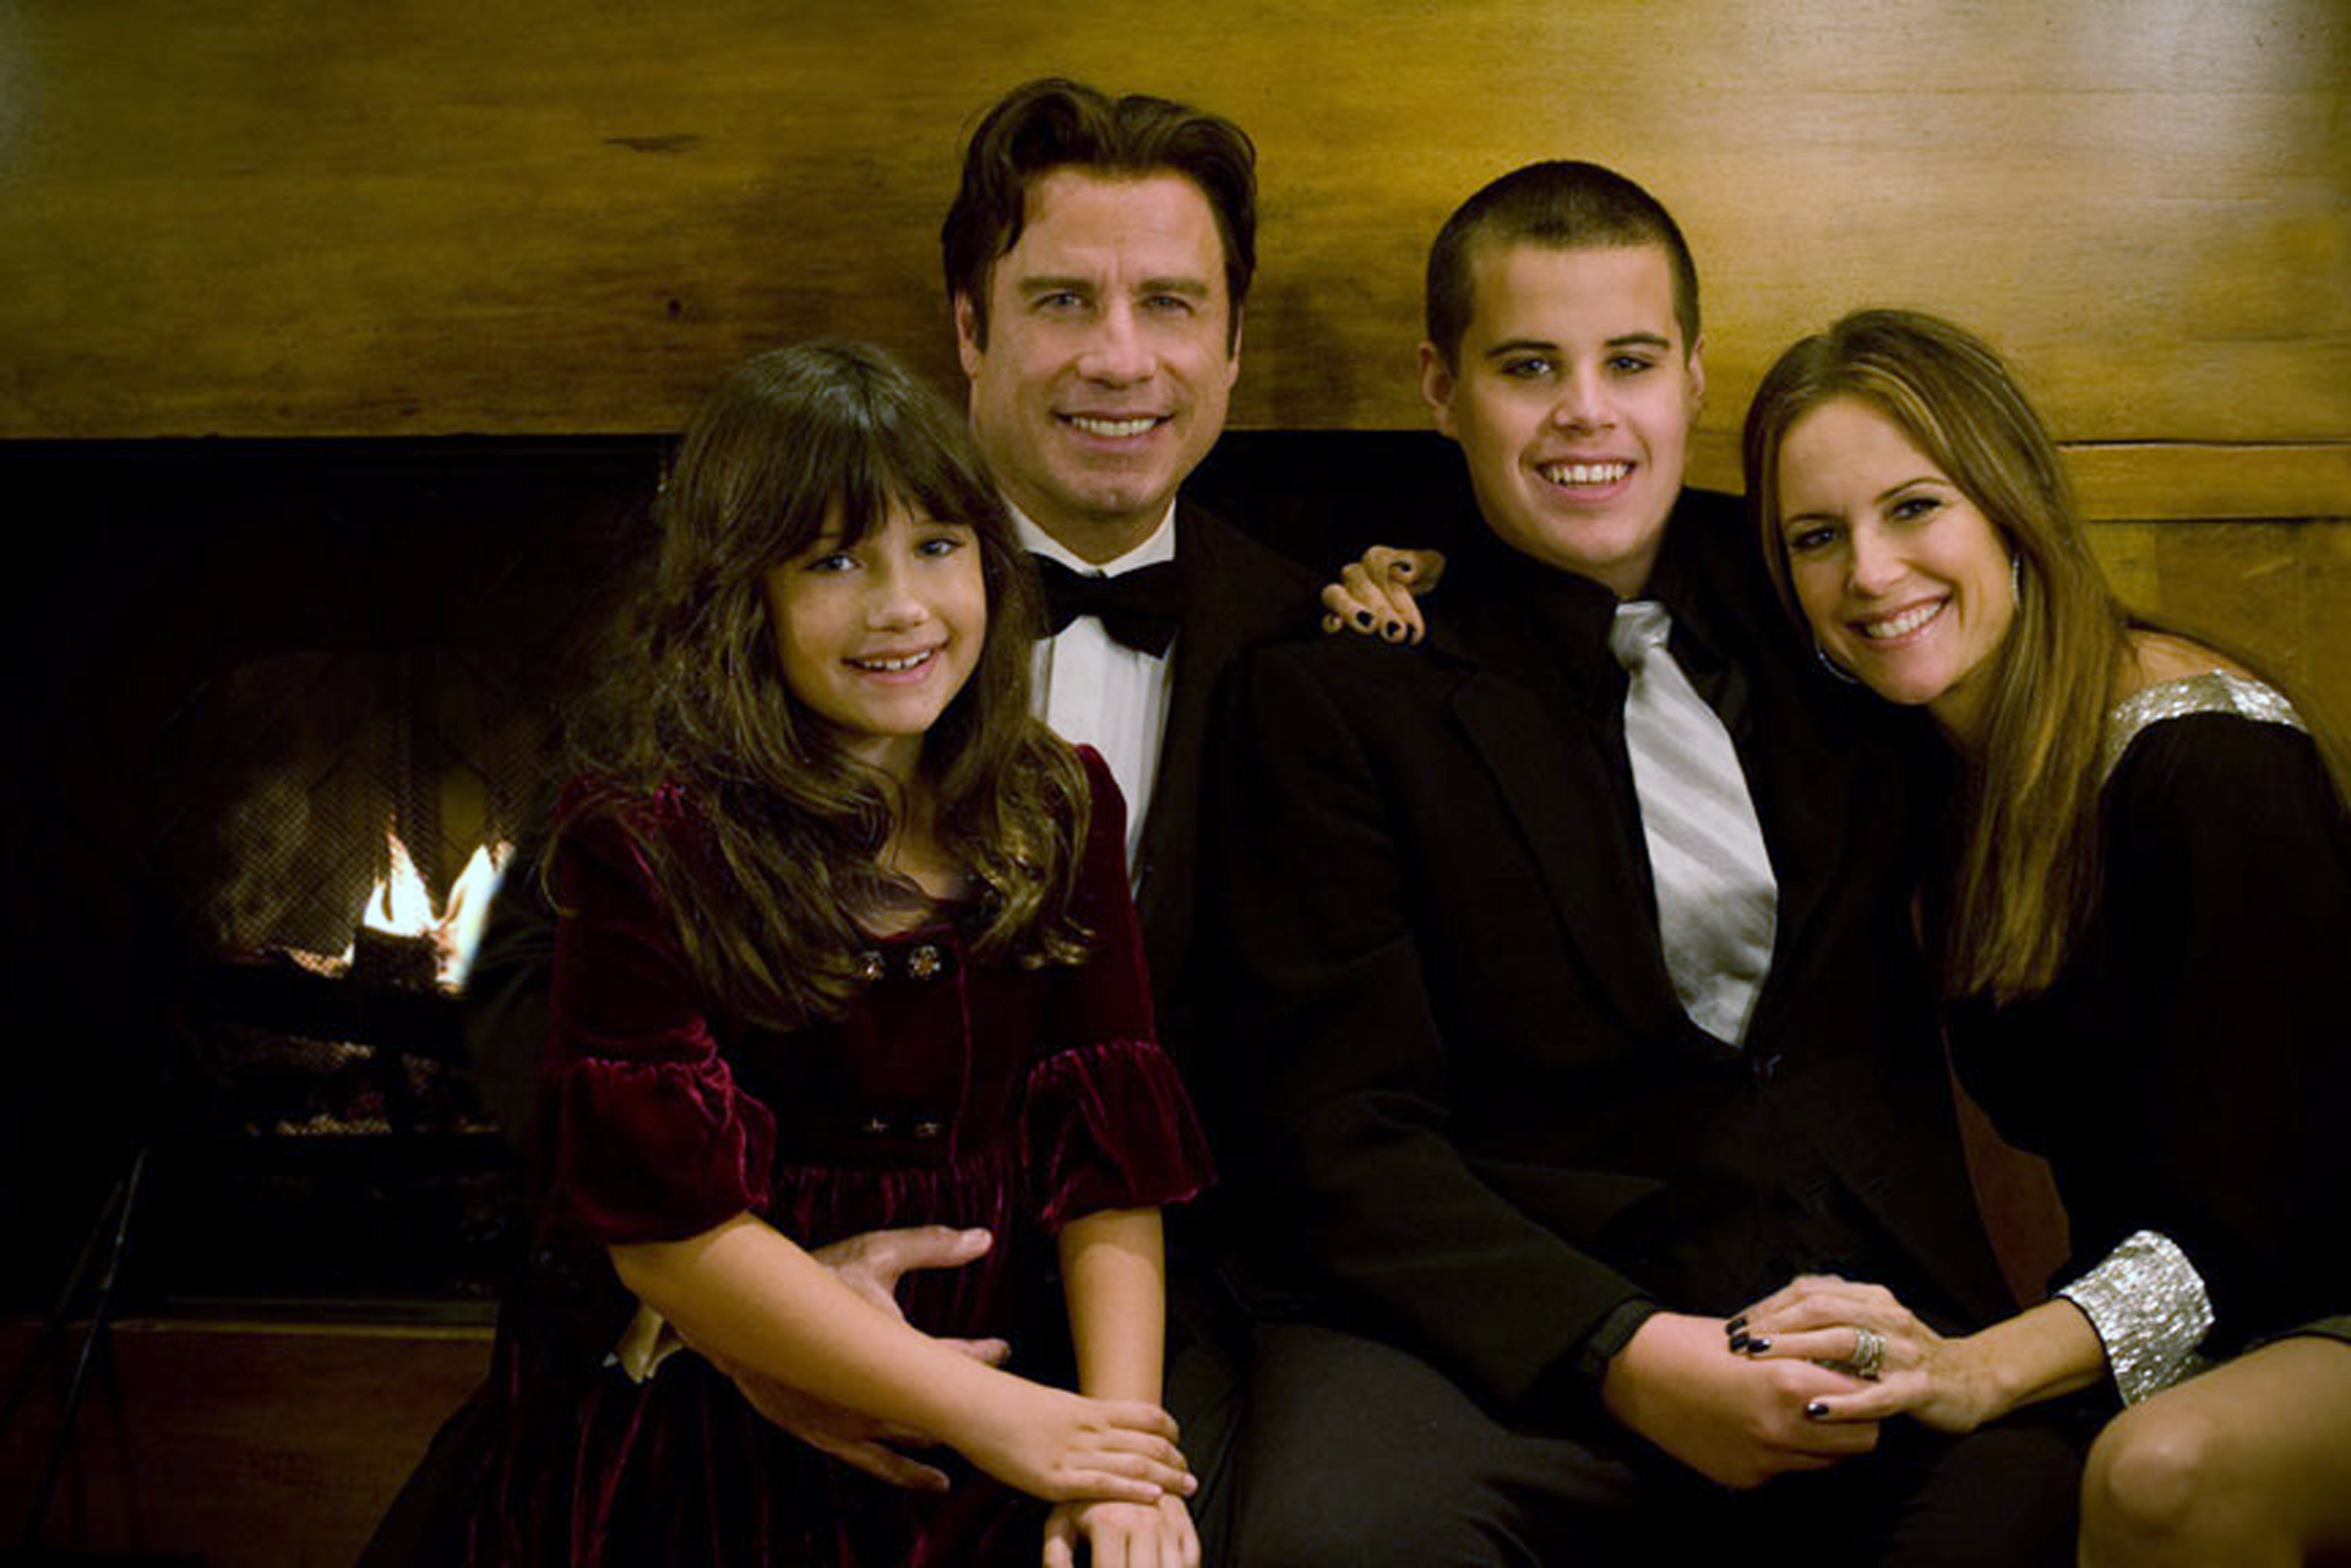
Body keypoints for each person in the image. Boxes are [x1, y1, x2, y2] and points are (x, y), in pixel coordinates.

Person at [1212, 161, 2080, 1565]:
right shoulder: (1336, 691)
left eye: (1628, 360)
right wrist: (1619, 1347)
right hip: (1502, 1328)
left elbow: (2009, 586)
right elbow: (1336, 1129)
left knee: (2037, 1501)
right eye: (1527, 366)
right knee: (1339, 1542)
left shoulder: (1838, 594)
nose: (1586, 413)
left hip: (1850, 1280)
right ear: (1441, 387)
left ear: (1691, 373)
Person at [418, 342, 1214, 1566]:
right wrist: (994, 1416)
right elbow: (666, 1226)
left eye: (937, 546)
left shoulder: (1061, 806)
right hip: (719, 1400)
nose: (900, 603)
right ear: (747, 596)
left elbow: (1109, 1159)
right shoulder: (646, 838)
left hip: (1010, 1381)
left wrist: (1119, 1454)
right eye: (835, 560)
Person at [1735, 306, 2351, 1567]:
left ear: (2009, 505)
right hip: (2160, 1326)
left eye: (1915, 508)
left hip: (2313, 1297)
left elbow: (2269, 1210)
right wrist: (1404, 572)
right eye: (1816, 536)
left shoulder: (2213, 759)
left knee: (2160, 1473)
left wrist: (1982, 1364)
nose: (1869, 571)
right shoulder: (1930, 760)